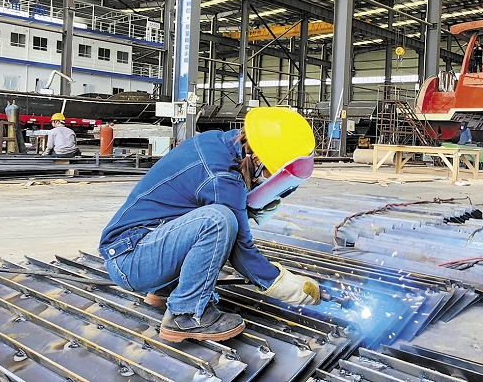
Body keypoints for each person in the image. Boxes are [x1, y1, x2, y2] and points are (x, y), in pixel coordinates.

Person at [99, 107, 322, 343]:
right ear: (258, 159)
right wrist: (286, 285)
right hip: (131, 261)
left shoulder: (219, 144)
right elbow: (242, 252)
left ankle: (165, 290)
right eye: (272, 173)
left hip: (139, 249)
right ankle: (187, 314)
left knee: (219, 219)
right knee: (218, 221)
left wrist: (246, 205)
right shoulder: (222, 177)